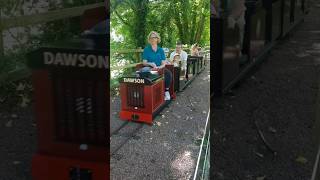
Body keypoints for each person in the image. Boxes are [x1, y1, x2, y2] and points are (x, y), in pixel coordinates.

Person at [142, 31, 172, 100]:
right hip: (150, 68)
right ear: (149, 40)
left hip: (159, 67)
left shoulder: (160, 50)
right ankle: (149, 95)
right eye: (151, 38)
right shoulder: (146, 49)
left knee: (168, 74)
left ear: (157, 39)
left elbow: (163, 63)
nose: (153, 39)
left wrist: (159, 67)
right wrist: (151, 64)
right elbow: (144, 62)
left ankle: (166, 91)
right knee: (149, 74)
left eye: (154, 37)